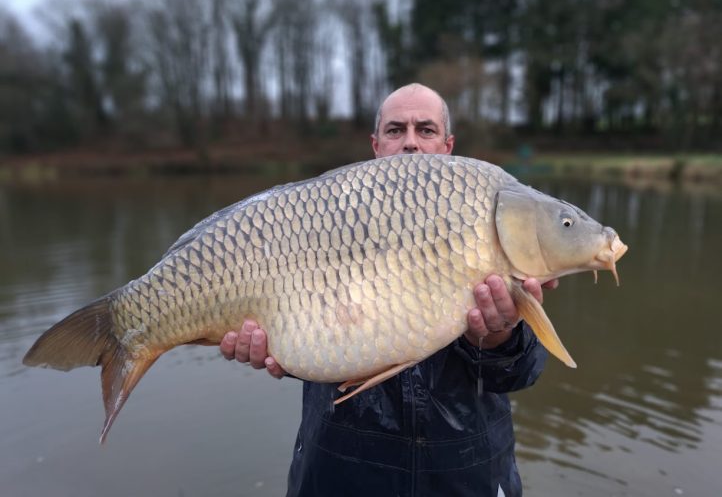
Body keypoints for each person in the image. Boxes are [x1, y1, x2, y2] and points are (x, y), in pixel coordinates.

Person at [220, 83, 555, 496]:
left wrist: (497, 335)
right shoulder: (325, 214)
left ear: (448, 146)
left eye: (426, 130)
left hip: (467, 474)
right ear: (376, 145)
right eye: (396, 130)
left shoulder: (490, 215)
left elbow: (522, 372)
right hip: (340, 471)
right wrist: (273, 347)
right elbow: (306, 338)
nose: (411, 142)